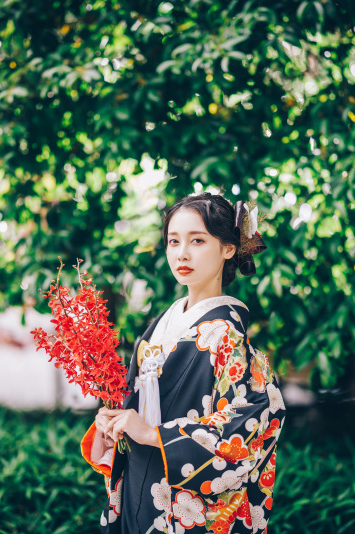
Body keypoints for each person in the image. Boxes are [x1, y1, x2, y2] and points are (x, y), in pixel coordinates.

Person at [81, 192, 286, 533]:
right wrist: (114, 421)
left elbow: (247, 425)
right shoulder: (163, 323)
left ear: (228, 248)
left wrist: (151, 434)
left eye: (197, 240)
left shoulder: (226, 335)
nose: (182, 253)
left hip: (185, 506)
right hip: (139, 489)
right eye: (173, 241)